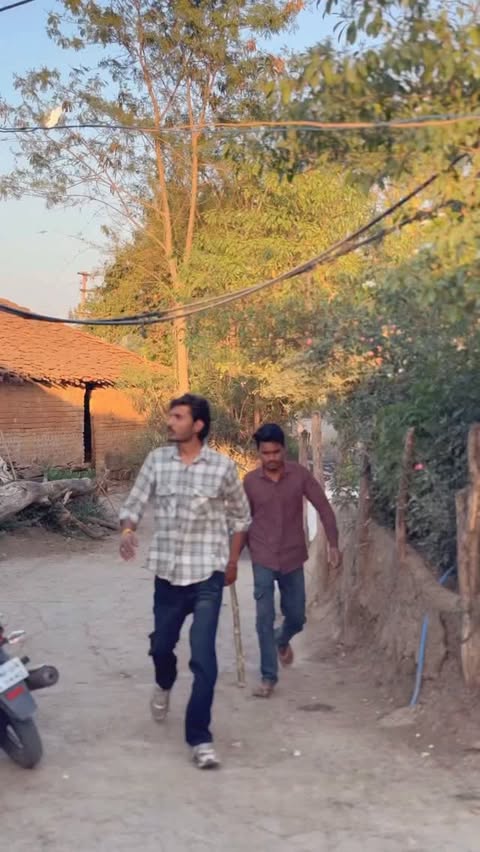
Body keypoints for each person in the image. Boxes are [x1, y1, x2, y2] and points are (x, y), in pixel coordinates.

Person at [119, 394, 251, 769]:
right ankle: (164, 683)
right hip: (168, 575)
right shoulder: (157, 461)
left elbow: (241, 518)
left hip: (207, 575)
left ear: (198, 425)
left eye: (178, 417)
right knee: (162, 647)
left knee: (204, 658)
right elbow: (133, 503)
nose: (170, 422)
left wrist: (232, 561)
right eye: (171, 416)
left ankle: (200, 739)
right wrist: (127, 529)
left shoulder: (223, 468)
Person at [243, 423, 341, 697]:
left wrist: (333, 544)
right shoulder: (250, 482)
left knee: (297, 616)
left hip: (292, 556)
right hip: (262, 556)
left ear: (284, 450)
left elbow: (324, 507)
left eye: (276, 452)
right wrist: (231, 557)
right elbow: (241, 521)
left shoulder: (300, 475)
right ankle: (268, 676)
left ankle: (281, 639)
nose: (271, 458)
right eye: (266, 453)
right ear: (259, 453)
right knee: (264, 617)